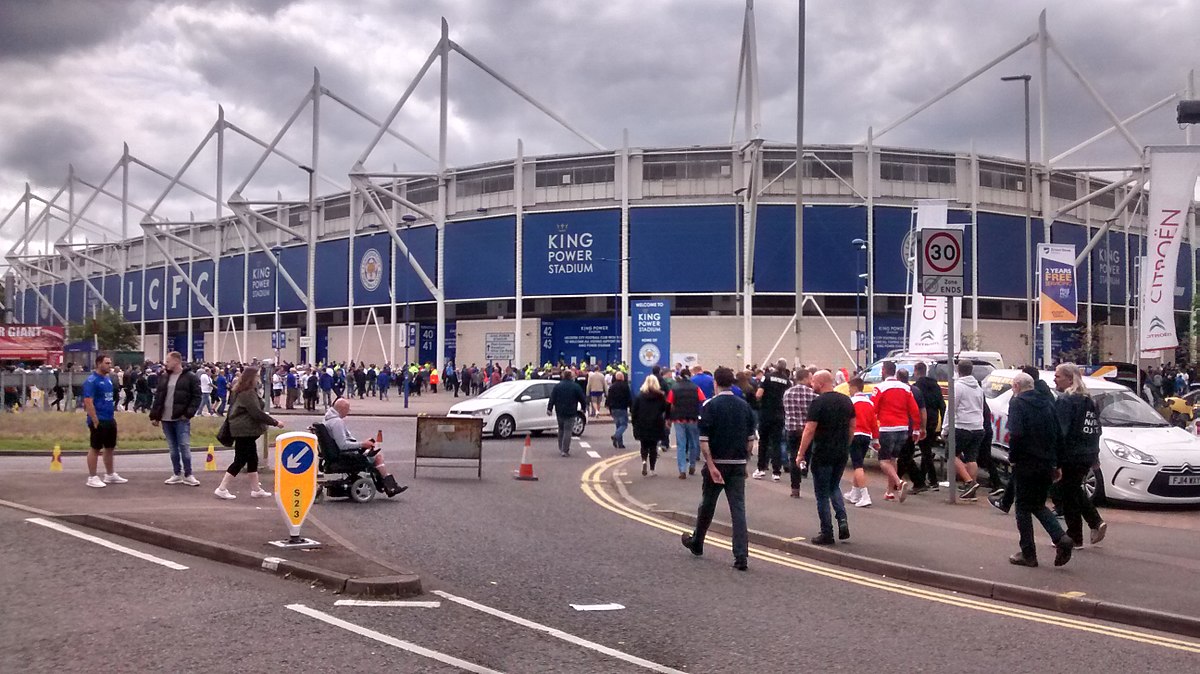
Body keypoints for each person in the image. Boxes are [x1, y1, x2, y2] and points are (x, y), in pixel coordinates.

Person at [681, 367, 757, 570]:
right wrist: (745, 462)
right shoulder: (745, 407)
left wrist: (712, 466)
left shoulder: (709, 406)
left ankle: (697, 543)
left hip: (718, 463)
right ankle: (741, 556)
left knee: (707, 504)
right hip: (738, 465)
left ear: (716, 382)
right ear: (732, 383)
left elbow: (704, 442)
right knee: (738, 510)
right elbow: (750, 443)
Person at [1006, 372, 1074, 567]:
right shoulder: (1047, 403)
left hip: (1026, 463)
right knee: (1037, 504)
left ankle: (1028, 553)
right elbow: (1058, 435)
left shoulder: (1017, 404)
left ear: (1017, 387)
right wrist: (1057, 464)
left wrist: (1013, 459)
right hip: (1046, 463)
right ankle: (1061, 537)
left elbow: (1016, 434)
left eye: (1013, 387)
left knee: (1022, 508)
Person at [1054, 363, 1108, 547]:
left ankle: (1076, 535)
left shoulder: (1066, 401)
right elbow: (1095, 429)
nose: (1055, 379)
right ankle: (1092, 524)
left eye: (1058, 376)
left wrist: (1055, 458)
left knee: (1068, 494)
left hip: (1070, 454)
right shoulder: (1089, 400)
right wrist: (1095, 455)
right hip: (1086, 453)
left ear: (1070, 379)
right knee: (1074, 490)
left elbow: (1061, 431)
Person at [800, 370, 857, 544]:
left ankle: (827, 532)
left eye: (814, 382)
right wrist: (845, 445)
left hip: (823, 452)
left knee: (822, 494)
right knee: (834, 487)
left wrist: (800, 453)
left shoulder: (818, 403)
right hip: (840, 452)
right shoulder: (846, 400)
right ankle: (842, 520)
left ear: (821, 383)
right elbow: (852, 427)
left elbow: (809, 430)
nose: (811, 385)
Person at [214, 365, 283, 500]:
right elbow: (256, 413)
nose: (259, 378)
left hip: (242, 429)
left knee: (252, 459)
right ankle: (222, 488)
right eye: (257, 376)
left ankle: (256, 489)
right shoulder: (248, 393)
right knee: (240, 460)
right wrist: (275, 422)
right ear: (251, 378)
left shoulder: (240, 391)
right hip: (244, 430)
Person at [323, 399, 408, 497]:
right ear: (342, 409)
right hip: (345, 455)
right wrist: (362, 444)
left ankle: (386, 485)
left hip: (338, 454)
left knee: (374, 453)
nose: (348, 412)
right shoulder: (337, 422)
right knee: (378, 457)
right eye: (348, 410)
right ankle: (390, 486)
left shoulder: (327, 419)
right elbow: (342, 445)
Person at [149, 351, 203, 487]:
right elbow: (159, 397)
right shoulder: (165, 376)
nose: (166, 364)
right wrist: (155, 416)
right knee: (173, 448)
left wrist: (188, 414)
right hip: (166, 418)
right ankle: (176, 473)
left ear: (176, 361)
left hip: (181, 418)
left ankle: (189, 474)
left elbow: (197, 397)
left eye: (168, 361)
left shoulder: (190, 377)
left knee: (184, 446)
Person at [872, 361, 922, 502]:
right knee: (893, 459)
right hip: (903, 428)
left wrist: (872, 428)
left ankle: (899, 483)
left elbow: (873, 409)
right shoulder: (906, 388)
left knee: (883, 461)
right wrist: (916, 428)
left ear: (883, 371)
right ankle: (889, 491)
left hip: (886, 427)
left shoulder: (880, 387)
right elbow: (914, 410)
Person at [944, 360, 987, 501]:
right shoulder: (978, 388)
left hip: (963, 426)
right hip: (978, 426)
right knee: (971, 458)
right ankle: (971, 491)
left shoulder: (958, 386)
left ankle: (969, 482)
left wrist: (945, 428)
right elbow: (981, 407)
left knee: (951, 455)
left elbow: (951, 409)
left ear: (958, 370)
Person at [83, 355, 126, 488]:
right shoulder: (92, 381)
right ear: (98, 364)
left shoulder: (108, 380)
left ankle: (110, 474)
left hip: (109, 418)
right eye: (107, 363)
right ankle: (92, 477)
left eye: (110, 363)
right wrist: (94, 419)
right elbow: (88, 401)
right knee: (95, 448)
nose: (109, 365)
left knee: (110, 447)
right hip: (99, 419)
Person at [844, 377, 879, 508]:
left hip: (855, 435)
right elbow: (873, 423)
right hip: (866, 436)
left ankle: (865, 495)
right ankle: (855, 493)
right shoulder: (869, 403)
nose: (849, 390)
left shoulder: (851, 402)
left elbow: (847, 420)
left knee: (857, 466)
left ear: (854, 387)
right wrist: (875, 439)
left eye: (849, 388)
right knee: (858, 463)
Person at [909, 361, 944, 492]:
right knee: (926, 449)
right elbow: (942, 404)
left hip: (922, 420)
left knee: (926, 451)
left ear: (916, 371)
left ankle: (933, 480)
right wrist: (943, 422)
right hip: (934, 420)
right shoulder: (935, 385)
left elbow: (916, 406)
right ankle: (923, 478)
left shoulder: (916, 387)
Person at [753, 359, 790, 481]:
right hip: (780, 414)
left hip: (766, 413)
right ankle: (776, 472)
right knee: (777, 443)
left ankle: (761, 468)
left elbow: (759, 394)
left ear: (775, 366)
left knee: (763, 441)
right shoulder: (787, 381)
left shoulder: (767, 377)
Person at [782, 368, 816, 498]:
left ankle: (795, 487)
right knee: (806, 453)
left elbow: (786, 410)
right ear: (806, 378)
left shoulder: (787, 393)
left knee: (793, 456)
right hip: (807, 429)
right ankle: (804, 467)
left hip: (792, 429)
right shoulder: (812, 394)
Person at [667, 369, 706, 478]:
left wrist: (668, 418)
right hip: (692, 418)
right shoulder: (696, 388)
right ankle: (692, 465)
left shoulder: (674, 388)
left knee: (681, 444)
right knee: (693, 443)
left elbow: (669, 403)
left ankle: (682, 469)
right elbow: (702, 400)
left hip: (678, 419)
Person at [631, 375, 668, 476]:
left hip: (642, 423)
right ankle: (652, 469)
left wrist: (634, 424)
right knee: (653, 447)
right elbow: (665, 409)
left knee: (644, 445)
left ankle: (644, 461)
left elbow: (634, 411)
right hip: (656, 424)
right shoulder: (660, 396)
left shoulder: (640, 396)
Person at [547, 370, 587, 457]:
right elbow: (582, 398)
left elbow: (552, 398)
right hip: (571, 411)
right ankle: (565, 450)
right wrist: (584, 408)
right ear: (571, 377)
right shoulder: (575, 386)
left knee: (561, 429)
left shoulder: (558, 386)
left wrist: (549, 408)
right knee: (568, 431)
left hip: (560, 411)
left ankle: (561, 447)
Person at [606, 371, 632, 449]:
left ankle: (619, 443)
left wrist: (608, 406)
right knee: (624, 425)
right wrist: (631, 407)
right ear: (622, 377)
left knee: (618, 425)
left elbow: (609, 398)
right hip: (622, 408)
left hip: (613, 408)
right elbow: (629, 397)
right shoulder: (625, 386)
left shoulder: (612, 386)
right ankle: (616, 436)